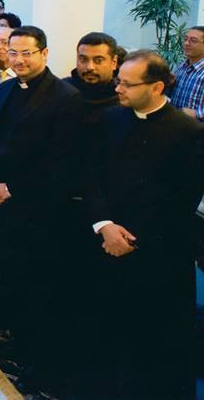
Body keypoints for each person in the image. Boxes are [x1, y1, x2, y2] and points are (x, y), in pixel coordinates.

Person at [86, 51, 204, 399]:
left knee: (154, 345)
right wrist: (105, 224)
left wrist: (131, 240)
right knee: (107, 333)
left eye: (127, 83)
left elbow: (181, 201)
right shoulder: (110, 118)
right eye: (118, 80)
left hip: (157, 252)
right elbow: (91, 174)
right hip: (106, 241)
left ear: (156, 87)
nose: (118, 88)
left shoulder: (190, 132)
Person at [0, 26, 83, 391]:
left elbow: (61, 161)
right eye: (14, 52)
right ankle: (18, 348)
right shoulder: (6, 89)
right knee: (10, 280)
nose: (18, 59)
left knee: (38, 290)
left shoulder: (65, 97)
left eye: (27, 53)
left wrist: (12, 189)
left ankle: (39, 367)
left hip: (37, 211)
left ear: (44, 54)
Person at [66, 32, 120, 113]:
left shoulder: (124, 96)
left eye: (98, 60)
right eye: (83, 59)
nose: (90, 67)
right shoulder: (61, 91)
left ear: (114, 62)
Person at [171, 25, 204, 121]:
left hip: (197, 128)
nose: (186, 43)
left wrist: (197, 113)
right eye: (185, 39)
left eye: (193, 40)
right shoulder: (181, 67)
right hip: (175, 123)